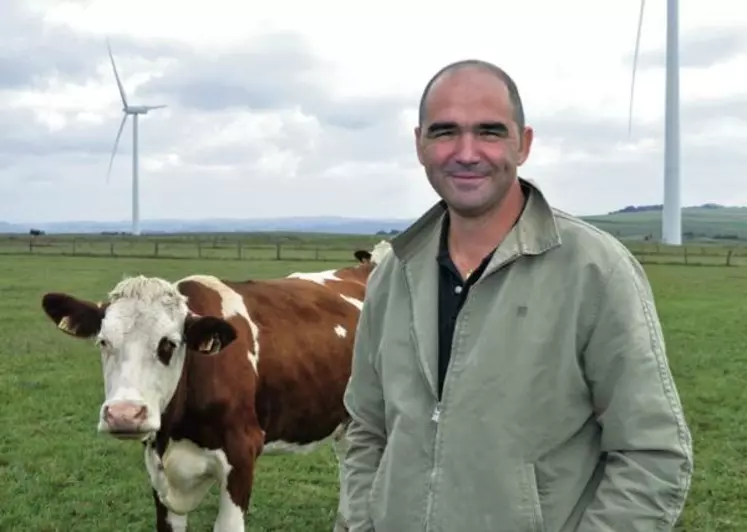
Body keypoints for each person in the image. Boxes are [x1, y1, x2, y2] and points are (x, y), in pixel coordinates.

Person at [339, 59, 694, 532]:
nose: (466, 152)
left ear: (523, 144)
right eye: (445, 132)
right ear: (420, 143)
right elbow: (367, 429)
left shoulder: (594, 270)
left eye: (489, 132)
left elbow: (652, 454)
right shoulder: (394, 274)